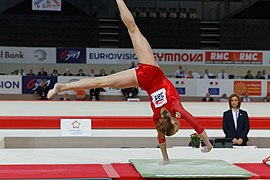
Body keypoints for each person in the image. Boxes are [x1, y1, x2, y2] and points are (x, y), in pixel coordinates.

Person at [47, 0, 213, 164]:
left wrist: (208, 144)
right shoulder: (159, 116)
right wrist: (167, 159)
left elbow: (194, 124)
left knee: (133, 30)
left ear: (174, 121)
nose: (179, 126)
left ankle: (63, 86)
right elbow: (164, 136)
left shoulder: (171, 110)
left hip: (150, 70)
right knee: (100, 82)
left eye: (177, 128)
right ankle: (63, 87)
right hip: (142, 80)